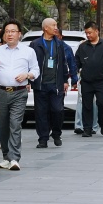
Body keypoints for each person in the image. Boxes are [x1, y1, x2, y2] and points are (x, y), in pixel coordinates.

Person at [0, 19, 39, 170]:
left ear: (19, 34)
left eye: (13, 31)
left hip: (19, 92)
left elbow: (36, 70)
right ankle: (6, 156)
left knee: (15, 124)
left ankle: (15, 158)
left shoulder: (28, 51)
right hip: (1, 92)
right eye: (7, 32)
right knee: (3, 126)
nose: (10, 34)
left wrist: (27, 75)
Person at [29, 18, 69, 148]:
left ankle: (56, 133)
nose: (56, 27)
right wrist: (29, 81)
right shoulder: (35, 44)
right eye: (53, 25)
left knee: (57, 110)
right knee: (41, 112)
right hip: (40, 84)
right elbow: (29, 63)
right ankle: (43, 138)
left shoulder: (59, 44)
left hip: (56, 84)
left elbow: (63, 63)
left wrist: (65, 80)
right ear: (45, 28)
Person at [74, 21, 103, 137]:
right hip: (86, 81)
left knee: (102, 103)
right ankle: (87, 128)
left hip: (101, 81)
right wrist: (73, 77)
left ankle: (102, 124)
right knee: (86, 105)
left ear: (96, 31)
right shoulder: (82, 47)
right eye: (86, 33)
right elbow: (76, 63)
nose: (88, 35)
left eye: (90, 33)